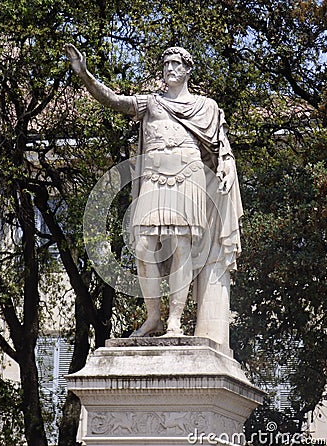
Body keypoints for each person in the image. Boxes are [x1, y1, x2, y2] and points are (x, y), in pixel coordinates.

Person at [65, 44, 243, 345]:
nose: (170, 70)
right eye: (166, 65)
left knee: (180, 245)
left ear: (188, 69)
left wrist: (226, 167)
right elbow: (115, 101)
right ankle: (153, 317)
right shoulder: (151, 102)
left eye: (176, 64)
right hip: (153, 174)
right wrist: (85, 75)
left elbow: (220, 147)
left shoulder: (205, 107)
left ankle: (175, 321)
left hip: (189, 174)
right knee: (144, 244)